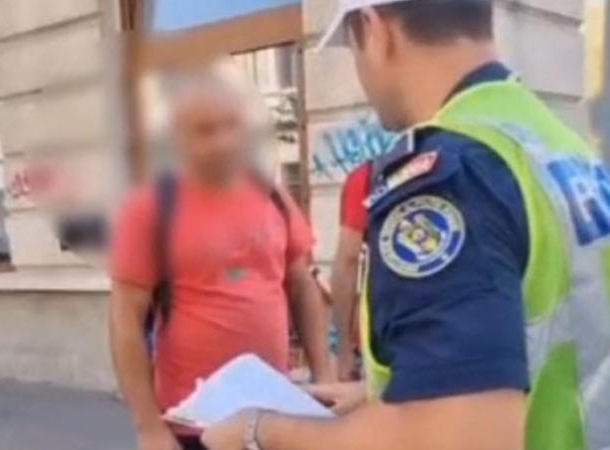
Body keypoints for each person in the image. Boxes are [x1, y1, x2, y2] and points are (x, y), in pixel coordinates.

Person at [201, 1, 610, 450]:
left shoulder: (451, 177)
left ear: (374, 30)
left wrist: (260, 430)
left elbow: (459, 436)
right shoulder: (558, 145)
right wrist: (386, 395)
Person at [109, 73, 333, 450]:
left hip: (271, 417)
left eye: (232, 126)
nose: (224, 141)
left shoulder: (272, 194)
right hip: (193, 423)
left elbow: (301, 287)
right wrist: (148, 427)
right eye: (206, 130)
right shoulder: (149, 208)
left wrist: (323, 376)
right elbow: (125, 321)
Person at [332, 161, 374, 380]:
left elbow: (348, 258)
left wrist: (343, 350)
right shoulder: (473, 163)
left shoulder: (370, 176)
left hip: (387, 331)